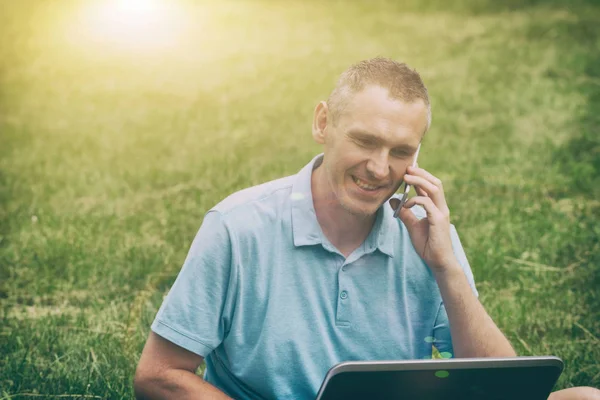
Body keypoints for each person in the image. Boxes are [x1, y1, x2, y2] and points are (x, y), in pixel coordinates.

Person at [134, 58, 600, 400]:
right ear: (323, 123)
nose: (380, 169)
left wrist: (445, 266)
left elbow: (506, 390)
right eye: (365, 141)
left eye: (401, 151)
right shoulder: (236, 227)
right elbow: (158, 375)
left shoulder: (427, 232)